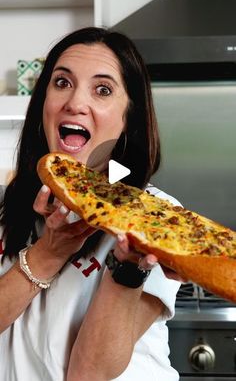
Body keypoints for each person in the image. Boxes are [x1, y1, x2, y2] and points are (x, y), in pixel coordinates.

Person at [0, 27, 182, 381]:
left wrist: (128, 268)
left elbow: (90, 373)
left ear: (129, 116)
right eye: (62, 83)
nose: (75, 103)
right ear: (43, 104)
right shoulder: (6, 206)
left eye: (102, 90)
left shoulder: (157, 216)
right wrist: (49, 252)